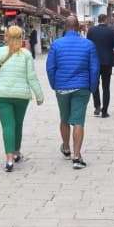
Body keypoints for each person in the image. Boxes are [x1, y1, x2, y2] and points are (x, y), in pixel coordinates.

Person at [0, 26, 44, 172]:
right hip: (21, 96)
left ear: (6, 37)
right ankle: (16, 152)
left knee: (7, 126)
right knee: (18, 124)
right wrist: (39, 95)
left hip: (1, 95)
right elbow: (31, 77)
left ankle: (9, 159)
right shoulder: (26, 54)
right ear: (21, 37)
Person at [46, 16, 99, 170]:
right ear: (78, 28)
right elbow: (94, 69)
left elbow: (50, 68)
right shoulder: (89, 45)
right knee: (78, 121)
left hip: (62, 87)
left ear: (65, 27)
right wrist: (92, 87)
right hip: (82, 87)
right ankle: (77, 157)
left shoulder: (56, 44)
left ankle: (66, 148)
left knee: (64, 118)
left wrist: (54, 84)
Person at [86, 15, 114, 118]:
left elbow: (88, 45)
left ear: (98, 20)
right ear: (106, 20)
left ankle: (97, 106)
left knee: (95, 85)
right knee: (106, 86)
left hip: (94, 61)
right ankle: (105, 111)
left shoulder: (91, 30)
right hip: (107, 62)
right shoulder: (111, 31)